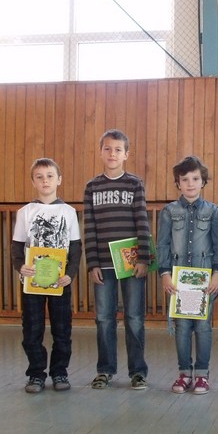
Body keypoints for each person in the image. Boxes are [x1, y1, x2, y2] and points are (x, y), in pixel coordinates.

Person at [84, 129, 151, 390]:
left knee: (134, 318)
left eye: (118, 150)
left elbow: (142, 222)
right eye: (108, 149)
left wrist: (143, 258)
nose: (112, 154)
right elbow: (89, 227)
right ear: (100, 152)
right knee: (104, 319)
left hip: (131, 265)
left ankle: (138, 372)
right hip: (103, 265)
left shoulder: (134, 184)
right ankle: (105, 370)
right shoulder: (92, 187)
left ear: (126, 155)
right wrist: (92, 263)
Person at [157, 156, 218, 395]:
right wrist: (164, 273)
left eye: (195, 179)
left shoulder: (214, 212)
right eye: (185, 179)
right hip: (178, 281)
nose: (190, 183)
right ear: (178, 183)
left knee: (203, 326)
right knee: (182, 327)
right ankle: (184, 373)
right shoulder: (169, 212)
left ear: (203, 181)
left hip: (203, 281)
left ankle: (202, 375)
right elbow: (163, 245)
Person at [12, 158, 82, 393]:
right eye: (39, 177)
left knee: (62, 329)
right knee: (32, 330)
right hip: (32, 282)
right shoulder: (25, 212)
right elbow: (16, 248)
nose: (45, 181)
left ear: (59, 180)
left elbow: (75, 248)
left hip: (60, 282)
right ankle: (36, 374)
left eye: (50, 176)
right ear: (33, 181)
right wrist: (20, 267)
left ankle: (60, 372)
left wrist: (70, 274)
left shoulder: (69, 212)